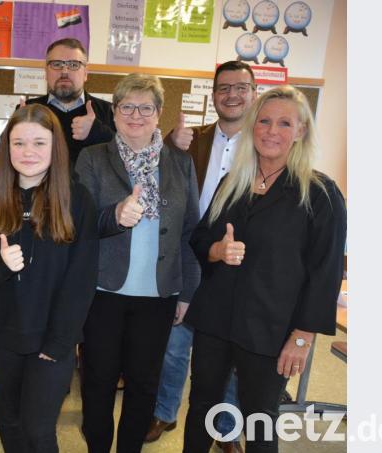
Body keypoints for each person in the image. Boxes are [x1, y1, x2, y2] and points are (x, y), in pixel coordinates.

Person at [183, 85, 346, 453]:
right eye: (265, 121)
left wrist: (302, 337)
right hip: (217, 319)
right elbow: (199, 239)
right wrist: (217, 250)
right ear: (252, 127)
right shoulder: (233, 183)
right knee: (201, 406)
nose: (272, 131)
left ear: (301, 131)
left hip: (272, 328)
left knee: (259, 418)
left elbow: (326, 272)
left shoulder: (319, 194)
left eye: (285, 123)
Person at [74, 73, 200, 453]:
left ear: (159, 113)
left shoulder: (179, 162)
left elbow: (189, 232)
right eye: (127, 106)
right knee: (97, 380)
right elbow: (78, 225)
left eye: (146, 107)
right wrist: (114, 215)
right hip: (102, 291)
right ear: (114, 112)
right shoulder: (93, 158)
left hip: (159, 294)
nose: (136, 115)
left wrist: (186, 292)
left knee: (145, 383)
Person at [0, 104, 99, 452]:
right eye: (19, 143)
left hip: (51, 340)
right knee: (9, 421)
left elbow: (81, 280)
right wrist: (0, 264)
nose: (28, 152)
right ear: (7, 147)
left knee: (39, 430)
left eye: (39, 143)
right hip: (3, 337)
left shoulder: (77, 200)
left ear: (55, 148)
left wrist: (59, 343)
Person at [146, 61, 257, 453]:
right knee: (175, 343)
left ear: (253, 92)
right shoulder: (191, 140)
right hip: (189, 251)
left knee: (228, 349)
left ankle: (226, 428)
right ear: (213, 95)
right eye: (224, 88)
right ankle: (165, 410)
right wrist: (168, 145)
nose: (232, 95)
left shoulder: (263, 143)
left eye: (241, 88)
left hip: (236, 259)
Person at [25, 37, 115, 166]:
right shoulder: (28, 111)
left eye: (73, 65)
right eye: (56, 64)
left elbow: (127, 158)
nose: (64, 72)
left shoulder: (109, 112)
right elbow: (6, 161)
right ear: (45, 71)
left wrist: (97, 132)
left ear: (85, 73)